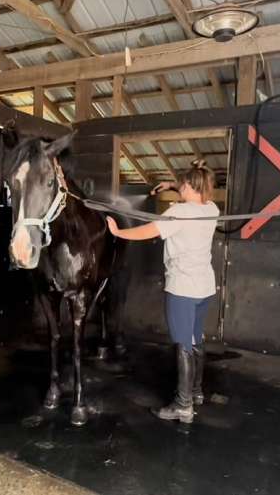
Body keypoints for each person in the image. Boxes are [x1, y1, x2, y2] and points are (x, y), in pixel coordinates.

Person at [106, 160, 219, 424]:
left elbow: (149, 230)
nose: (179, 187)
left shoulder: (179, 212)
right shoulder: (212, 208)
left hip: (183, 288)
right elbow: (196, 186)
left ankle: (183, 405)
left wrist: (118, 232)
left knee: (183, 344)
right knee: (195, 338)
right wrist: (171, 183)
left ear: (190, 186)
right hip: (204, 287)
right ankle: (196, 392)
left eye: (182, 184)